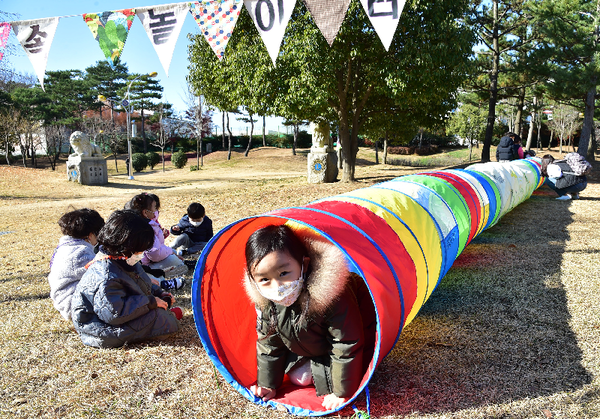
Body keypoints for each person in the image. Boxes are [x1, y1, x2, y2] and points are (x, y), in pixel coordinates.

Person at [243, 224, 376, 411]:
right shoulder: (267, 299)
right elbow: (268, 342)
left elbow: (346, 341)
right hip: (308, 343)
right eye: (264, 279)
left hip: (354, 341)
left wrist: (342, 392)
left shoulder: (333, 292)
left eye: (284, 273)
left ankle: (327, 373)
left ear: (304, 265)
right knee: (299, 378)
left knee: (313, 377)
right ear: (253, 279)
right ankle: (316, 367)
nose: (277, 286)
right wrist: (267, 384)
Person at [71, 210, 181, 348]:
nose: (141, 254)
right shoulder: (106, 276)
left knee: (159, 316)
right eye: (139, 251)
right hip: (101, 329)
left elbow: (141, 282)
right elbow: (113, 314)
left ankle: (165, 315)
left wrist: (158, 293)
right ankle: (167, 317)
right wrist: (150, 302)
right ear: (126, 247)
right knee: (161, 320)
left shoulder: (125, 260)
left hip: (115, 318)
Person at [48, 208, 105, 322]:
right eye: (99, 233)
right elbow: (103, 274)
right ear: (90, 235)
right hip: (75, 306)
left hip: (69, 300)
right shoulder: (80, 253)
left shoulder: (68, 246)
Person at [126, 193, 187, 290]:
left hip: (139, 263)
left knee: (173, 253)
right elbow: (154, 254)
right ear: (145, 212)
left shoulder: (145, 225)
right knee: (174, 260)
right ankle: (160, 281)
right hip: (145, 264)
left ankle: (157, 275)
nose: (156, 211)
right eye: (155, 208)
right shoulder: (146, 229)